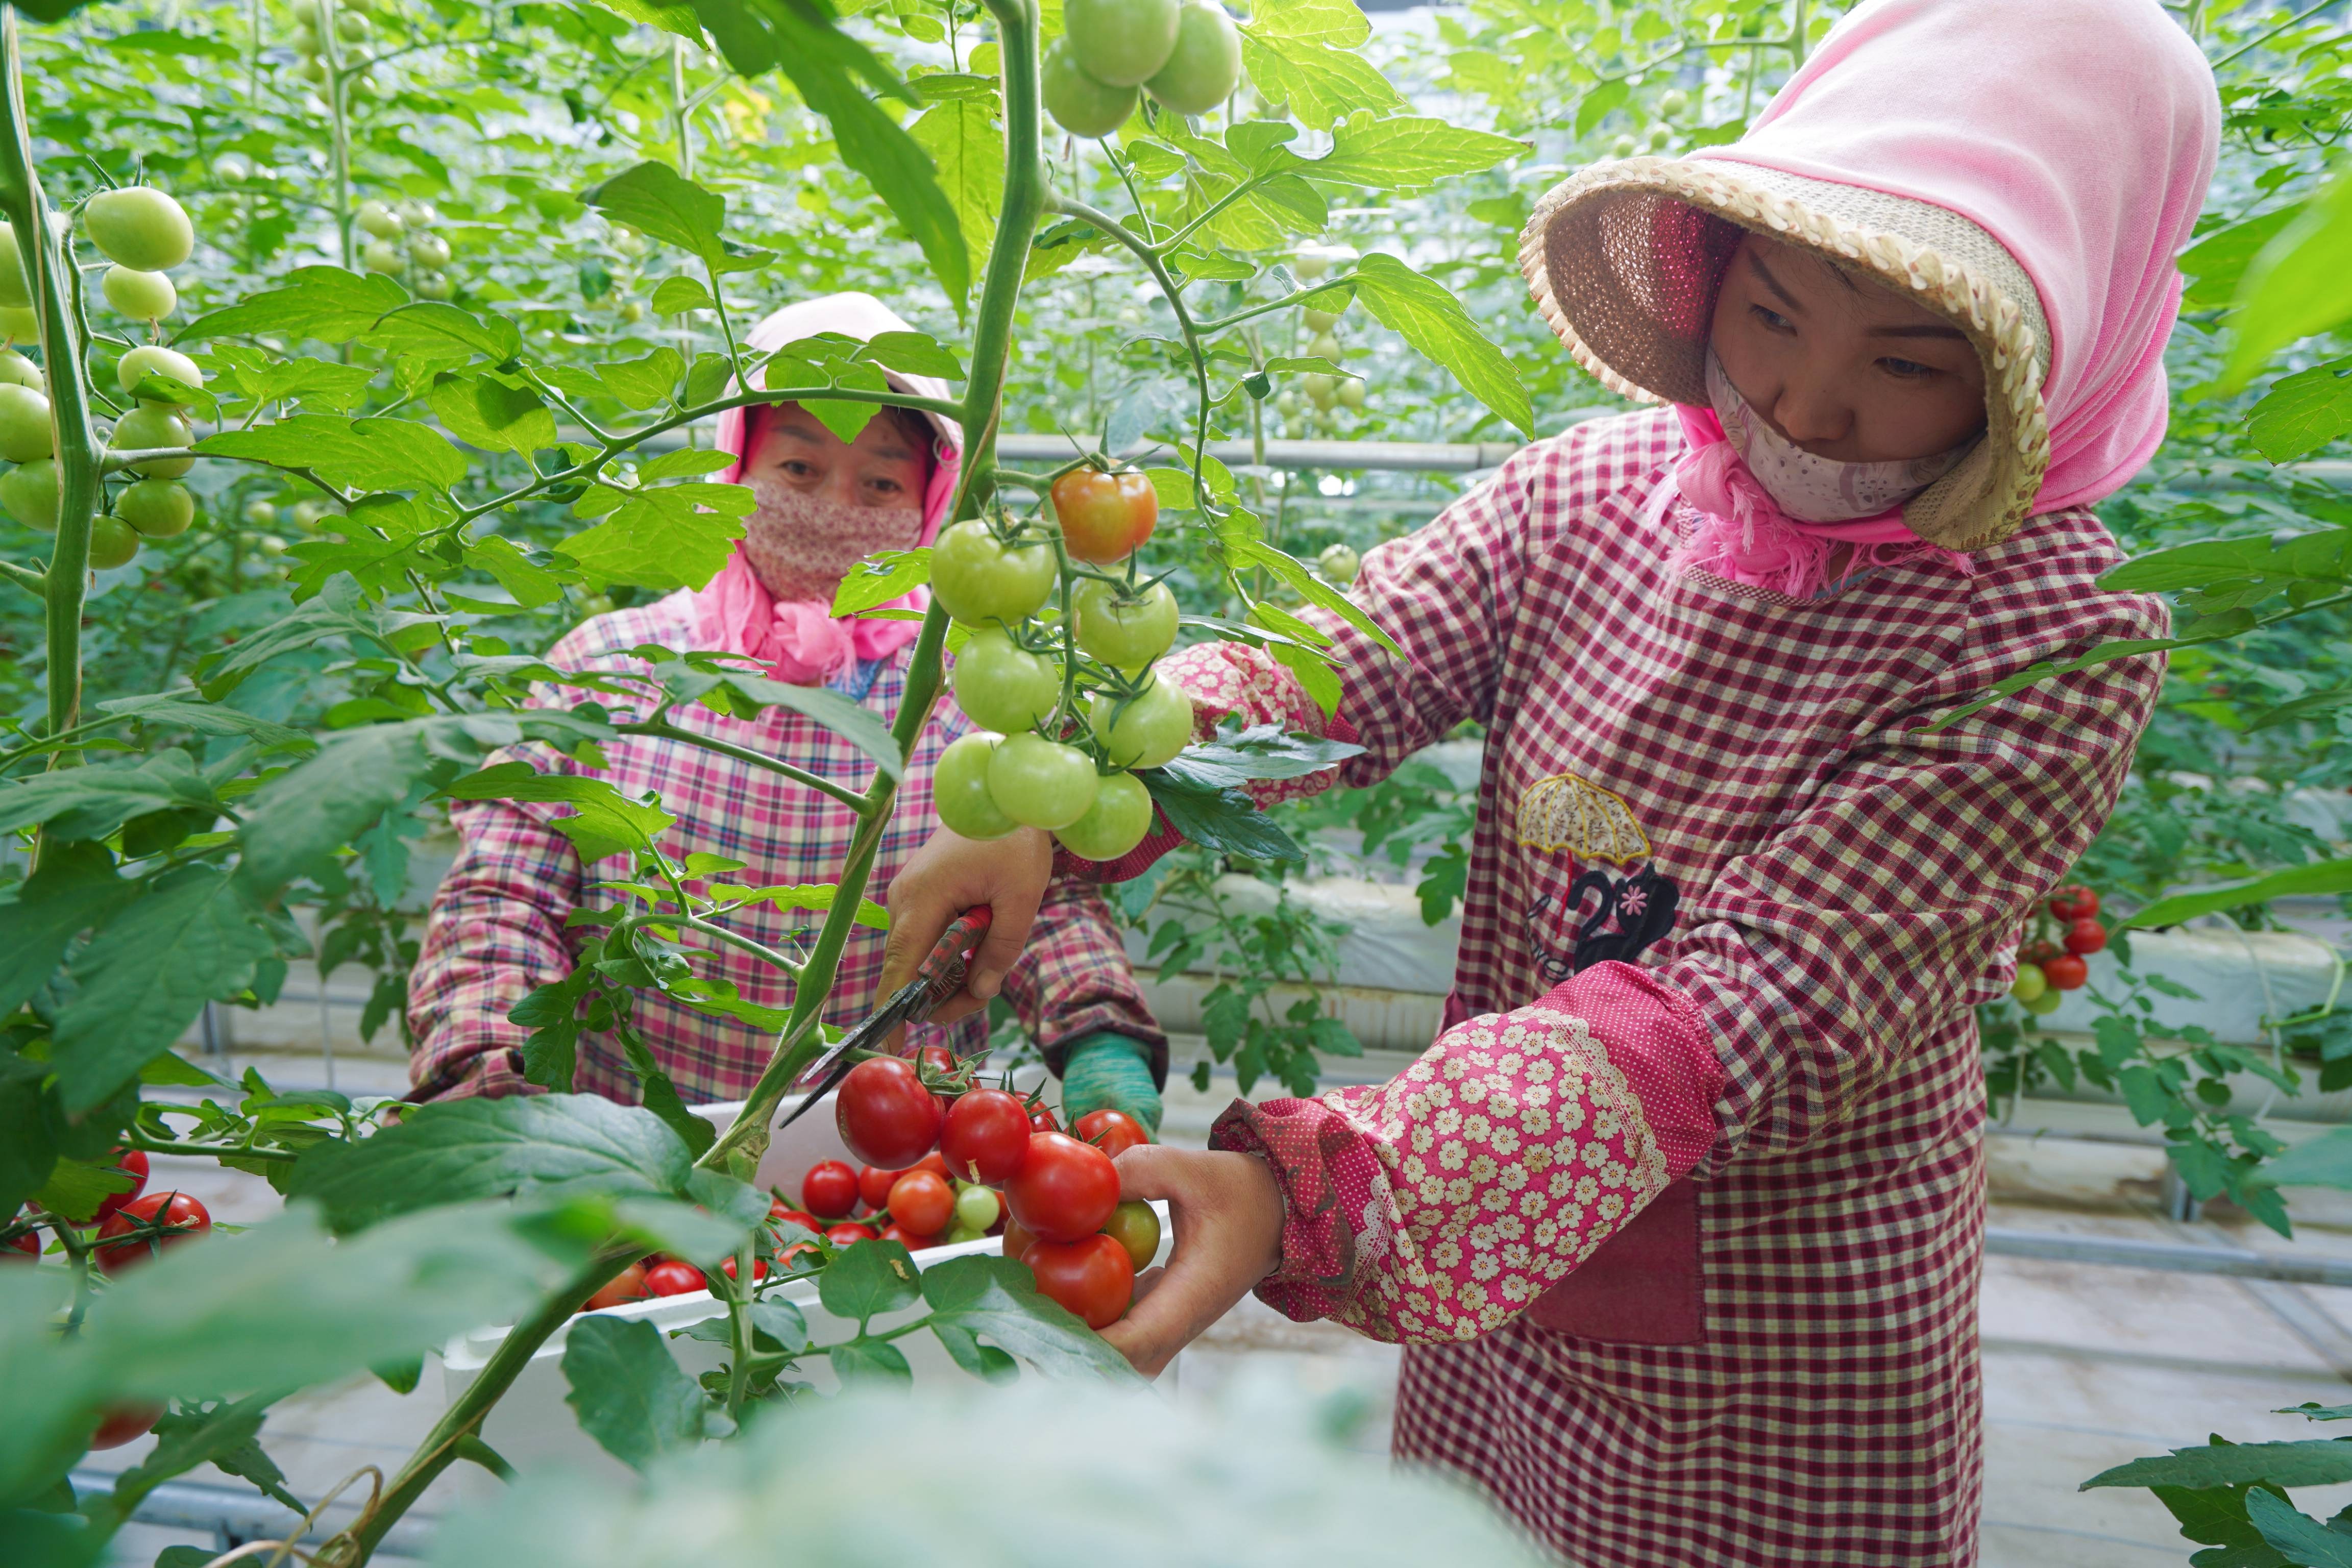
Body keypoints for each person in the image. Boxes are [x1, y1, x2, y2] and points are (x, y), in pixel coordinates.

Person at [883, 3, 2218, 1561]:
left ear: (2048, 360)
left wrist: (1319, 1194)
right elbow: (1344, 661)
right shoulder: (1594, 492)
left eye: (1908, 365)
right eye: (1773, 317)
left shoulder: (2050, 639)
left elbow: (1760, 999)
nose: (1804, 403)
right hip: (1492, 1257)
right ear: (1714, 269)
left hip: (1784, 1340)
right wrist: (1079, 793)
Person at [408, 292, 1167, 1131]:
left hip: (890, 1158)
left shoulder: (978, 689)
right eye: (799, 469)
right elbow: (504, 892)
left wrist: (1099, 1033)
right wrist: (480, 1069)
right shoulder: (615, 669)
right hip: (626, 1152)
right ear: (736, 466)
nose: (836, 507)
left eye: (881, 481)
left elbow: (1038, 893)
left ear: (930, 502)